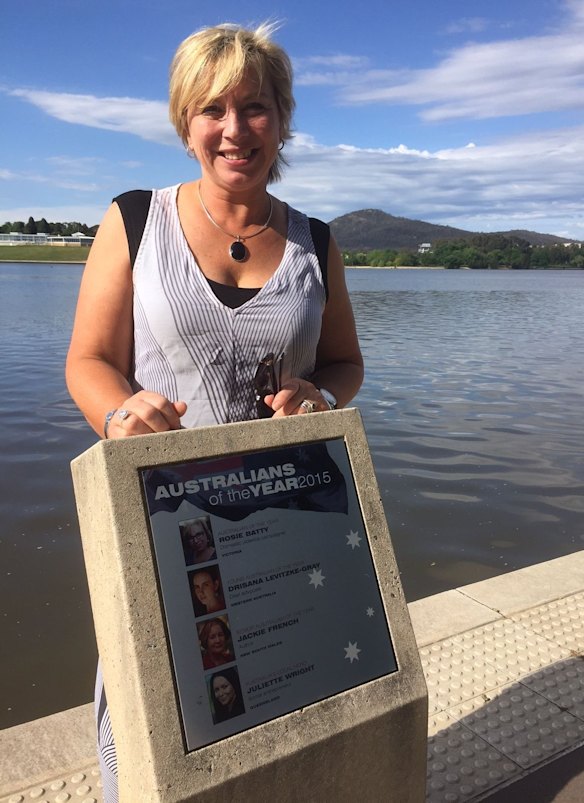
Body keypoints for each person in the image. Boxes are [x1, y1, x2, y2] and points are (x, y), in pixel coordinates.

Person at [66, 21, 363, 802]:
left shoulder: (315, 242)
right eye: (213, 108)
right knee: (148, 723)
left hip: (287, 521)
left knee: (282, 703)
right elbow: (88, 360)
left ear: (283, 119)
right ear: (186, 121)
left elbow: (345, 363)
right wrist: (119, 414)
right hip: (165, 521)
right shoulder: (135, 219)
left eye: (256, 107)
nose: (236, 129)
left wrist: (321, 396)